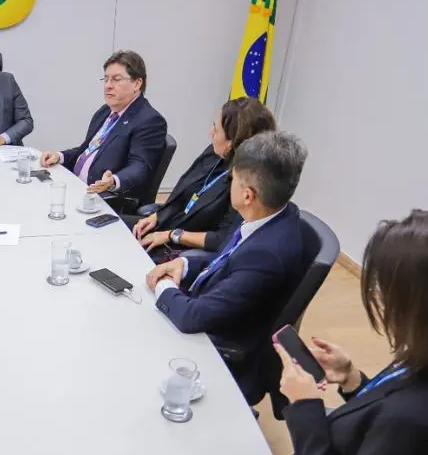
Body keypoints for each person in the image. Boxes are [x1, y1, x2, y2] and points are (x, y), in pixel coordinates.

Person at [145, 131, 308, 395]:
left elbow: (191, 317)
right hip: (210, 304)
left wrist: (163, 285)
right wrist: (184, 266)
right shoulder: (270, 213)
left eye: (232, 179)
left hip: (211, 342)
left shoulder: (267, 256)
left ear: (247, 195)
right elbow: (228, 259)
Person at [276, 210, 428, 454]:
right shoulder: (419, 354)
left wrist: (304, 406)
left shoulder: (407, 422)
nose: (380, 300)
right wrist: (352, 379)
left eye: (385, 291)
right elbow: (378, 410)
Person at [132, 97, 277, 262]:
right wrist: (157, 217)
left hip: (182, 250)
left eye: (216, 129)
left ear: (232, 143)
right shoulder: (213, 153)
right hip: (166, 226)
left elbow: (222, 239)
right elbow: (183, 194)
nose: (211, 132)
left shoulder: (245, 184)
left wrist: (173, 235)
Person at [40, 50, 167, 200]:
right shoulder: (106, 111)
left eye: (116, 79)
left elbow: (140, 166)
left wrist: (113, 181)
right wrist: (59, 156)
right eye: (106, 79)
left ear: (137, 83)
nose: (108, 86)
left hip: (102, 199)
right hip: (75, 186)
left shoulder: (149, 120)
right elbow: (86, 150)